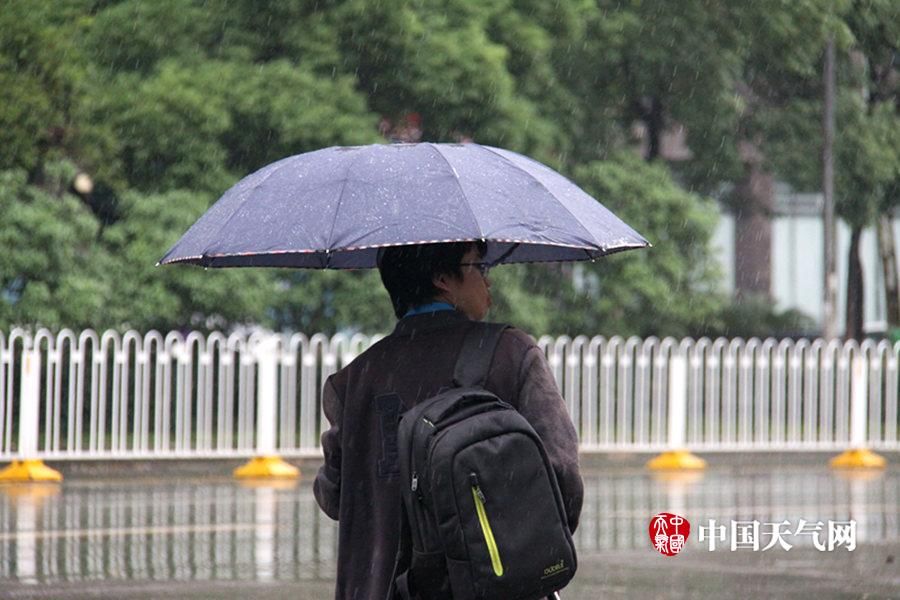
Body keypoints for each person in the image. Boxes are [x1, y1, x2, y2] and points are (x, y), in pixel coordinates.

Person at [314, 241, 584, 600]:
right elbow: (562, 480)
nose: (488, 282)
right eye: (479, 268)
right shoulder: (511, 355)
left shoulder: (354, 379)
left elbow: (334, 496)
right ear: (442, 278)